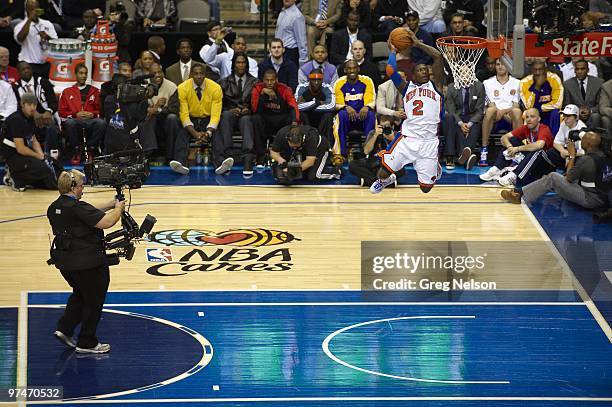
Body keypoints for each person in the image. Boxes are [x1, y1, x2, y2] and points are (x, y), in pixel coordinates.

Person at [47, 169, 125, 354]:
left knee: (81, 294)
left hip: (66, 263)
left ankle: (64, 328)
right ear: (73, 187)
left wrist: (111, 203)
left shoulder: (55, 207)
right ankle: (87, 342)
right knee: (93, 301)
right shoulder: (77, 208)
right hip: (88, 263)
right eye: (81, 186)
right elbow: (107, 222)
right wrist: (118, 209)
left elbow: (86, 212)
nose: (83, 189)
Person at [370, 28, 444, 194]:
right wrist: (392, 52)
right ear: (413, 74)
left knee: (426, 189)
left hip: (429, 142)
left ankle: (433, 165)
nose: (424, 71)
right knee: (381, 173)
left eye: (426, 69)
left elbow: (438, 56)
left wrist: (418, 44)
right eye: (420, 70)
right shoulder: (406, 88)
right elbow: (390, 71)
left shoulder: (436, 86)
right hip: (407, 140)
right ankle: (388, 180)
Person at [501, 131, 609, 209]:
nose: (580, 142)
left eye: (583, 140)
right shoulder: (605, 155)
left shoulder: (586, 160)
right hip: (604, 196)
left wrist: (572, 156)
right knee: (552, 179)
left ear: (588, 145)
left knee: (553, 177)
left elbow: (568, 178)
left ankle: (520, 195)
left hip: (591, 199)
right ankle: (539, 186)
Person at [170, 63, 226, 175]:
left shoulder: (216, 88)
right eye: (196, 74)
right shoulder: (182, 88)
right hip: (191, 118)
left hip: (208, 118)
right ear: (191, 74)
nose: (199, 76)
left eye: (201, 73)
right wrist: (195, 133)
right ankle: (180, 163)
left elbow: (215, 115)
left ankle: (220, 163)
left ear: (205, 74)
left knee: (216, 133)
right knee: (183, 132)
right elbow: (184, 114)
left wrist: (208, 132)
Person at [479, 108, 554, 187]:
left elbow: (539, 145)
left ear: (539, 119)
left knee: (537, 150)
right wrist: (509, 146)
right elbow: (504, 137)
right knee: (512, 140)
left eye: (532, 117)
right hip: (531, 163)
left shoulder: (544, 129)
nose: (529, 119)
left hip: (545, 166)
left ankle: (514, 176)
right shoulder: (526, 128)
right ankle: (496, 169)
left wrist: (517, 149)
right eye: (527, 117)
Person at [1, 93, 60, 191]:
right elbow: (21, 149)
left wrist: (43, 156)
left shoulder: (30, 118)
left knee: (53, 164)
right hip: (13, 156)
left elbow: (33, 140)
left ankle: (31, 181)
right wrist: (38, 156)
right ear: (22, 105)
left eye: (34, 105)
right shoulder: (16, 119)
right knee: (43, 169)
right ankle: (15, 176)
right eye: (29, 105)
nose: (32, 107)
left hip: (24, 154)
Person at [219, 52, 258, 176]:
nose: (241, 65)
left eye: (243, 62)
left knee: (246, 120)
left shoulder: (255, 82)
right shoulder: (224, 82)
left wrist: (250, 109)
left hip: (246, 115)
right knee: (225, 115)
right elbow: (219, 104)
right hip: (230, 115)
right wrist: (229, 110)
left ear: (246, 65)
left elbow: (258, 103)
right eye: (238, 62)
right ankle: (227, 156)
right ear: (233, 65)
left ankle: (248, 158)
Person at [58, 63, 105, 164]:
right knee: (70, 123)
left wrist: (93, 114)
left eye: (85, 73)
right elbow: (61, 113)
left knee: (101, 123)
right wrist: (75, 114)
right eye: (81, 73)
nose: (83, 76)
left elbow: (101, 111)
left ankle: (90, 148)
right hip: (75, 121)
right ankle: (77, 149)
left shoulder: (95, 91)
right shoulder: (67, 92)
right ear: (76, 74)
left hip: (91, 121)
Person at [251, 69, 300, 165]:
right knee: (255, 118)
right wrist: (262, 94)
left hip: (281, 120)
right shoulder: (257, 88)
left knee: (292, 119)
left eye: (272, 80)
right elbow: (254, 109)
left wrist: (295, 121)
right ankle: (260, 155)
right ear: (263, 80)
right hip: (266, 120)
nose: (269, 83)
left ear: (276, 80)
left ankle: (286, 154)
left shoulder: (285, 89)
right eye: (267, 80)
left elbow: (293, 106)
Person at [480, 58, 522, 166]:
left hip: (510, 116)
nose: (500, 66)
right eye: (498, 64)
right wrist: (500, 112)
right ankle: (484, 150)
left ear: (509, 66)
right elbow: (490, 104)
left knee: (517, 112)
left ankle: (516, 152)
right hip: (494, 117)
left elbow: (516, 105)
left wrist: (503, 111)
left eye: (503, 64)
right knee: (490, 110)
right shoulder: (487, 83)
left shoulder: (517, 83)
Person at [332, 59, 376, 159]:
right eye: (349, 68)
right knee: (340, 116)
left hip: (362, 116)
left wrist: (366, 106)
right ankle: (340, 154)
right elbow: (337, 103)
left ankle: (369, 153)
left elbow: (371, 100)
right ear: (345, 70)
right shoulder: (339, 83)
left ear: (358, 69)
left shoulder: (367, 80)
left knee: (371, 115)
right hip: (347, 118)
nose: (352, 71)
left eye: (354, 68)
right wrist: (346, 107)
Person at [270, 124, 340, 184]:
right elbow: (273, 152)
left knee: (314, 176)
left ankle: (337, 171)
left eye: (296, 146)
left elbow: (310, 161)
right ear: (287, 139)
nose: (294, 147)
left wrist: (292, 170)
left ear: (302, 140)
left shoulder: (310, 137)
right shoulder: (282, 133)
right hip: (302, 152)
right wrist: (281, 161)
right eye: (293, 146)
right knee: (280, 173)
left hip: (321, 150)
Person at [349, 115, 405, 187]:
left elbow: (402, 154)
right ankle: (384, 182)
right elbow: (366, 151)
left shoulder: (397, 135)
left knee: (401, 168)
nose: (384, 129)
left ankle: (369, 181)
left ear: (392, 127)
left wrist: (392, 139)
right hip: (373, 162)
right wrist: (375, 135)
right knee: (353, 164)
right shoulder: (373, 133)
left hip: (389, 163)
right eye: (382, 126)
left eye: (387, 126)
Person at [443, 78, 484, 170]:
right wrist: (461, 124)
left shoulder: (479, 86)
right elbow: (451, 110)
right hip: (457, 118)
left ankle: (463, 157)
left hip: (472, 118)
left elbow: (480, 110)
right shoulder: (451, 87)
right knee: (449, 118)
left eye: (466, 71)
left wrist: (469, 124)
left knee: (475, 127)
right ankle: (456, 157)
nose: (464, 75)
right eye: (461, 72)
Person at [13, 0, 58, 77]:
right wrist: (30, 19)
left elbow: (56, 44)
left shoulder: (47, 24)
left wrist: (48, 37)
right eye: (31, 9)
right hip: (29, 64)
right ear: (26, 10)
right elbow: (20, 39)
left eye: (36, 9)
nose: (34, 12)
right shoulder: (20, 26)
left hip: (46, 63)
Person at [296, 68, 336, 137]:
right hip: (307, 117)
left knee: (329, 114)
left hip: (321, 118)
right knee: (302, 114)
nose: (316, 82)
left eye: (319, 80)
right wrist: (317, 103)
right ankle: (309, 137)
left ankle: (326, 142)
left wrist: (307, 106)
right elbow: (297, 106)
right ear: (309, 80)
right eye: (313, 80)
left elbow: (332, 106)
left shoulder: (327, 87)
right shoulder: (302, 87)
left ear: (322, 80)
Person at [275, 0, 308, 68]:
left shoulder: (297, 16)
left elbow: (302, 40)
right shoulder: (282, 13)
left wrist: (302, 61)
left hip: (290, 54)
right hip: (278, 51)